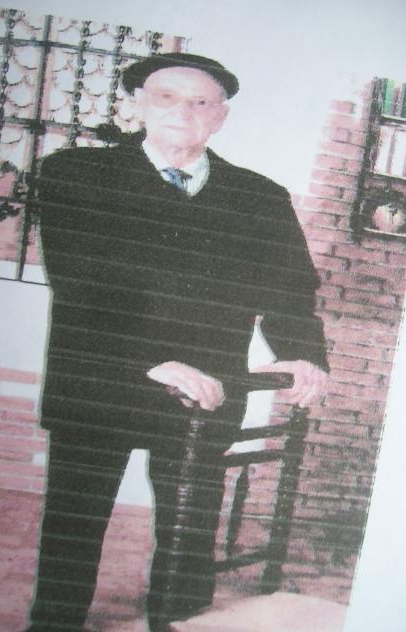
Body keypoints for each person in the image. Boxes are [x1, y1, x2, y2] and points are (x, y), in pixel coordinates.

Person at [25, 53, 328, 631]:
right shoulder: (76, 174)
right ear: (137, 104)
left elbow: (290, 290)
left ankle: (179, 622)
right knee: (73, 528)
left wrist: (305, 354)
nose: (183, 112)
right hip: (101, 377)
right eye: (167, 97)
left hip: (205, 390)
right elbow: (81, 280)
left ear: (220, 117)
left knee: (189, 535)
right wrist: (151, 360)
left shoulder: (258, 196)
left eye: (201, 102)